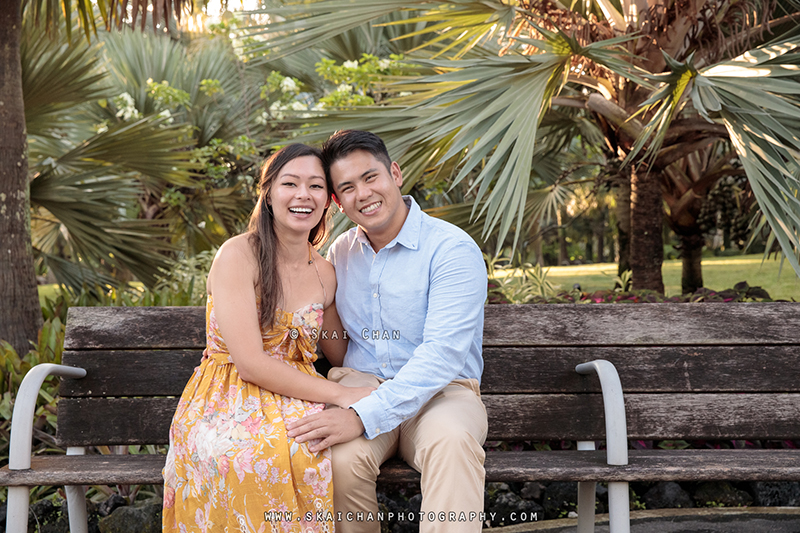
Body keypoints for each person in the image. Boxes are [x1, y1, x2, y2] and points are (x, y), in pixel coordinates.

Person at [162, 144, 373, 533]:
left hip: (297, 395)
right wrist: (343, 395)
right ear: (269, 193)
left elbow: (340, 351)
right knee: (248, 455)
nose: (303, 195)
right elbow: (250, 363)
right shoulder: (238, 255)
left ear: (328, 200)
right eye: (290, 183)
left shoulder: (325, 272)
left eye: (315, 186)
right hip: (227, 395)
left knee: (318, 450)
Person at [287, 130, 488, 533]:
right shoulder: (341, 252)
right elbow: (336, 341)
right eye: (347, 187)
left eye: (370, 177)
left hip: (441, 393)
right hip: (359, 387)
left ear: (395, 174)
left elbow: (443, 355)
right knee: (336, 460)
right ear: (337, 201)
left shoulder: (451, 249)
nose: (363, 194)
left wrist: (364, 416)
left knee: (452, 442)